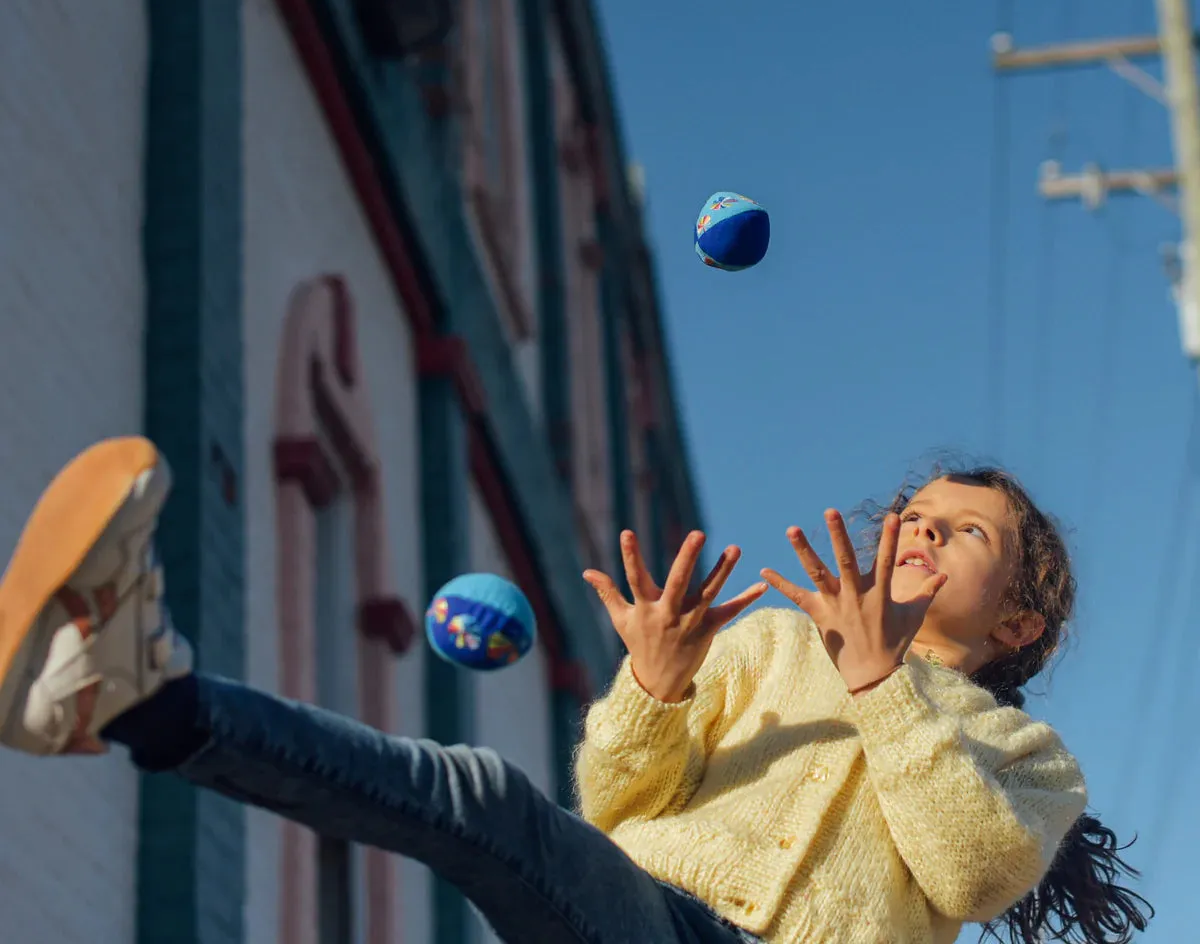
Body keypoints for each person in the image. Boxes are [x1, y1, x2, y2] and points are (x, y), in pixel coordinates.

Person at [0, 437, 1151, 944]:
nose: (924, 532)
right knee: (487, 800)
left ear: (1017, 619)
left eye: (967, 533)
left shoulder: (1027, 758)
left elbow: (974, 871)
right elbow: (615, 808)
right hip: (645, 924)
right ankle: (145, 698)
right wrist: (652, 688)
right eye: (917, 516)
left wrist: (881, 683)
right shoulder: (767, 645)